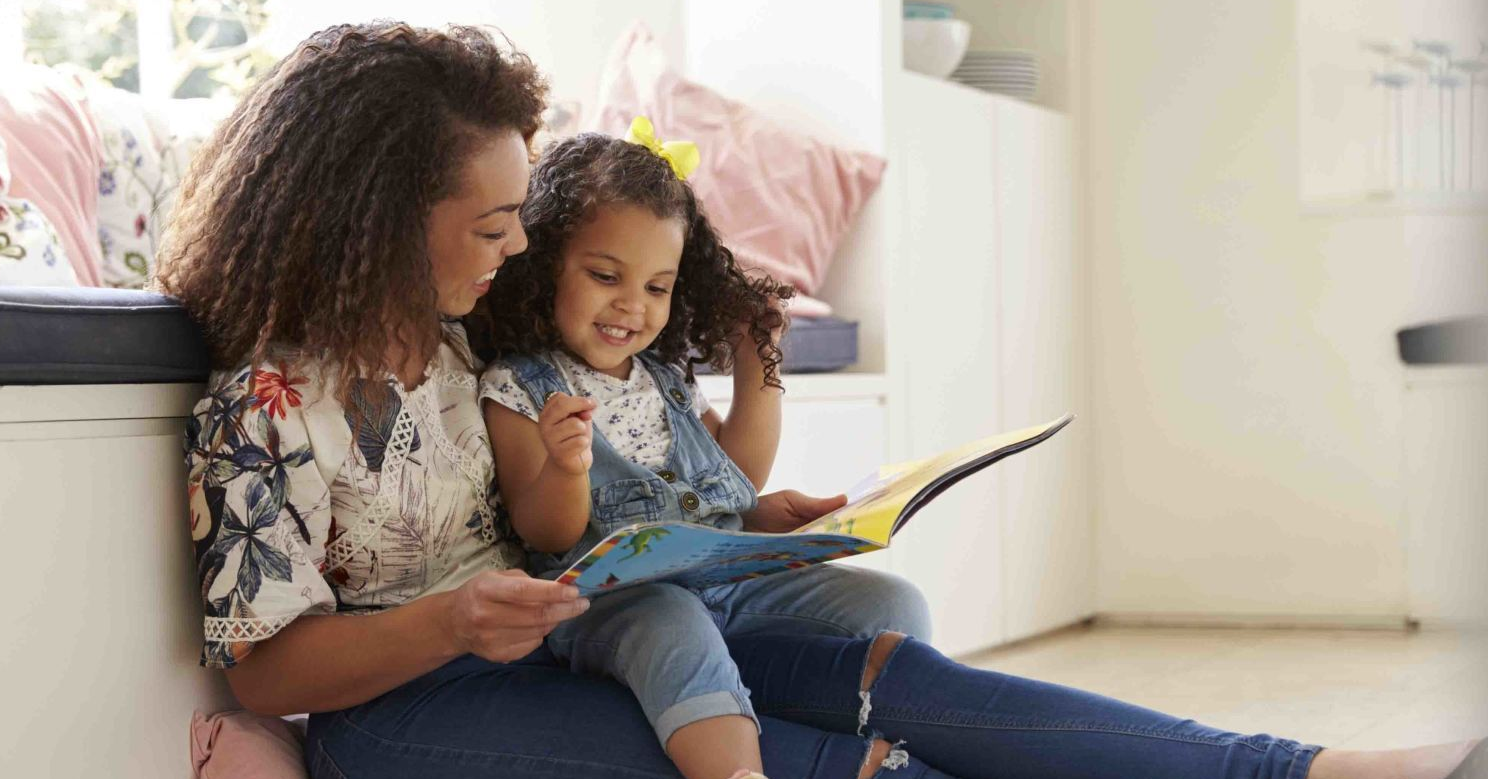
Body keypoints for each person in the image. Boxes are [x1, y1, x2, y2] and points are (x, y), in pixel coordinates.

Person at [156, 19, 1484, 779]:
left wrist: (736, 525)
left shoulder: (464, 348)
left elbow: (608, 438)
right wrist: (453, 618)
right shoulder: (262, 407)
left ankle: (1302, 769)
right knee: (826, 750)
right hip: (415, 713)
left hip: (576, 628)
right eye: (493, 221)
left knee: (893, 668)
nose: (514, 249)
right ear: (384, 217)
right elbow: (267, 659)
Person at [478, 125, 912, 779]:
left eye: (657, 287)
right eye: (604, 275)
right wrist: (567, 466)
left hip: (726, 584)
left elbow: (732, 476)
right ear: (543, 266)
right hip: (617, 607)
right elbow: (545, 530)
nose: (632, 304)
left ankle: (848, 723)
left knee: (892, 604)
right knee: (673, 622)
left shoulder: (663, 377)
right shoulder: (521, 385)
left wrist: (756, 363)